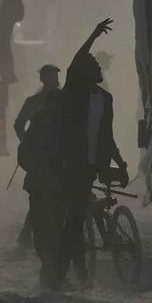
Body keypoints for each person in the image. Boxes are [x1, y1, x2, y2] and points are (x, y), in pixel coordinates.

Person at [54, 19, 128, 287]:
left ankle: (73, 274)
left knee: (75, 219)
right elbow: (76, 62)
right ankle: (65, 275)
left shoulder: (105, 99)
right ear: (83, 72)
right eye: (93, 64)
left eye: (98, 64)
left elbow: (107, 136)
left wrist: (120, 162)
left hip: (92, 165)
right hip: (72, 165)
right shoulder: (74, 93)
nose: (97, 66)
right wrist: (93, 35)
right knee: (74, 219)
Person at [13, 63, 64, 284]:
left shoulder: (65, 100)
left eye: (56, 76)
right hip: (45, 164)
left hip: (59, 161)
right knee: (44, 201)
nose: (55, 80)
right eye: (51, 76)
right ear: (44, 79)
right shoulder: (34, 103)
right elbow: (18, 125)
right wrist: (29, 144)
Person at [0, 0, 25, 84]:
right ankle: (9, 72)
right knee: (5, 43)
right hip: (14, 13)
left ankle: (9, 72)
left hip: (10, 13)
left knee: (4, 44)